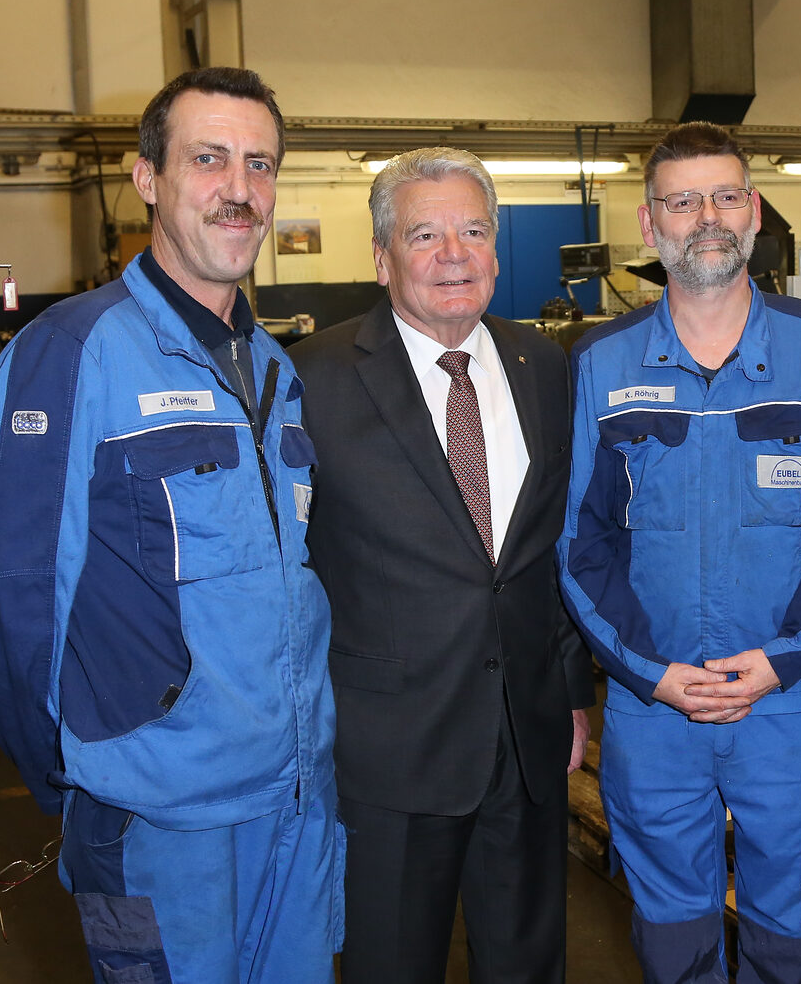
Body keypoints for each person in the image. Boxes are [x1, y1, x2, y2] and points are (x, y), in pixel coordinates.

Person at [0, 67, 340, 983]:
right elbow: (1, 597)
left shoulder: (275, 366)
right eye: (208, 159)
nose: (238, 189)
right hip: (162, 826)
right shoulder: (71, 353)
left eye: (259, 164)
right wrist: (77, 768)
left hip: (294, 803)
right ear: (148, 178)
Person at [558, 122, 801, 983]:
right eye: (683, 200)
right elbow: (578, 545)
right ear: (649, 222)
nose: (707, 216)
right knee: (672, 937)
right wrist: (650, 670)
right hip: (654, 708)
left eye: (726, 195)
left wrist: (779, 662)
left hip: (786, 704)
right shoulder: (600, 361)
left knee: (787, 934)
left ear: (755, 211)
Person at [290, 146, 594, 984]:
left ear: (497, 248)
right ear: (383, 257)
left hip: (524, 738)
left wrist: (570, 694)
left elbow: (549, 551)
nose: (453, 254)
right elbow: (290, 565)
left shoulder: (543, 366)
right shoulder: (313, 379)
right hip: (390, 747)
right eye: (425, 234)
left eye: (472, 230)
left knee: (527, 963)